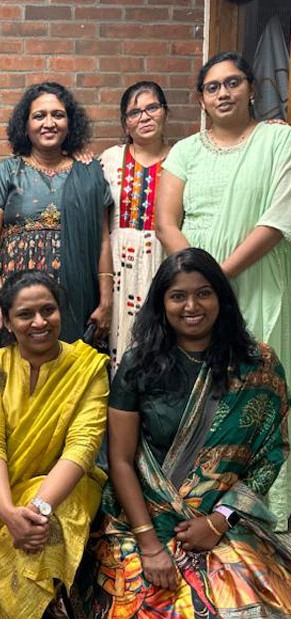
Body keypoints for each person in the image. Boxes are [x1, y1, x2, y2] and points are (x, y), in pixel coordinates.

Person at [82, 248, 291, 618]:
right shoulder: (137, 364)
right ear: (161, 303)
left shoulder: (259, 366)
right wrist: (148, 545)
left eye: (204, 293)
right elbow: (120, 460)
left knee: (255, 603)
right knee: (145, 605)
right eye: (178, 295)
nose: (191, 305)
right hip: (140, 519)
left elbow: (270, 454)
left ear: (222, 299)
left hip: (220, 520)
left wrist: (220, 520)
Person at [155, 52, 291, 526]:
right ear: (201, 99)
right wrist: (197, 283)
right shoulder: (185, 151)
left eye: (233, 83)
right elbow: (166, 222)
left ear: (252, 88)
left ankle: (256, 512)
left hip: (255, 281)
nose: (224, 93)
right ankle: (193, 502)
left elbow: (277, 219)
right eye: (213, 87)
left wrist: (216, 277)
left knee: (258, 382)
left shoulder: (280, 140)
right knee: (197, 384)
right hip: (193, 286)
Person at [0, 270, 109, 619]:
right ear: (7, 320)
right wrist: (7, 512)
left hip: (69, 488)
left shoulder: (88, 368)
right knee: (17, 538)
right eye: (25, 314)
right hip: (4, 490)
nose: (39, 322)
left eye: (48, 310)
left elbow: (83, 445)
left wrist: (36, 511)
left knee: (50, 529)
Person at [0, 82, 114, 345]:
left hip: (76, 298)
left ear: (69, 123)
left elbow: (103, 241)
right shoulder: (6, 173)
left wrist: (106, 301)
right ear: (25, 126)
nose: (49, 123)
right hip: (17, 299)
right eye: (39, 116)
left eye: (57, 115)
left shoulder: (89, 174)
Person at [99, 82, 170, 370]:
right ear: (125, 123)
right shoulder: (110, 159)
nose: (144, 117)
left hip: (164, 259)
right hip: (118, 265)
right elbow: (100, 226)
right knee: (121, 342)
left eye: (152, 107)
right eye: (134, 112)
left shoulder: (184, 156)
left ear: (165, 112)